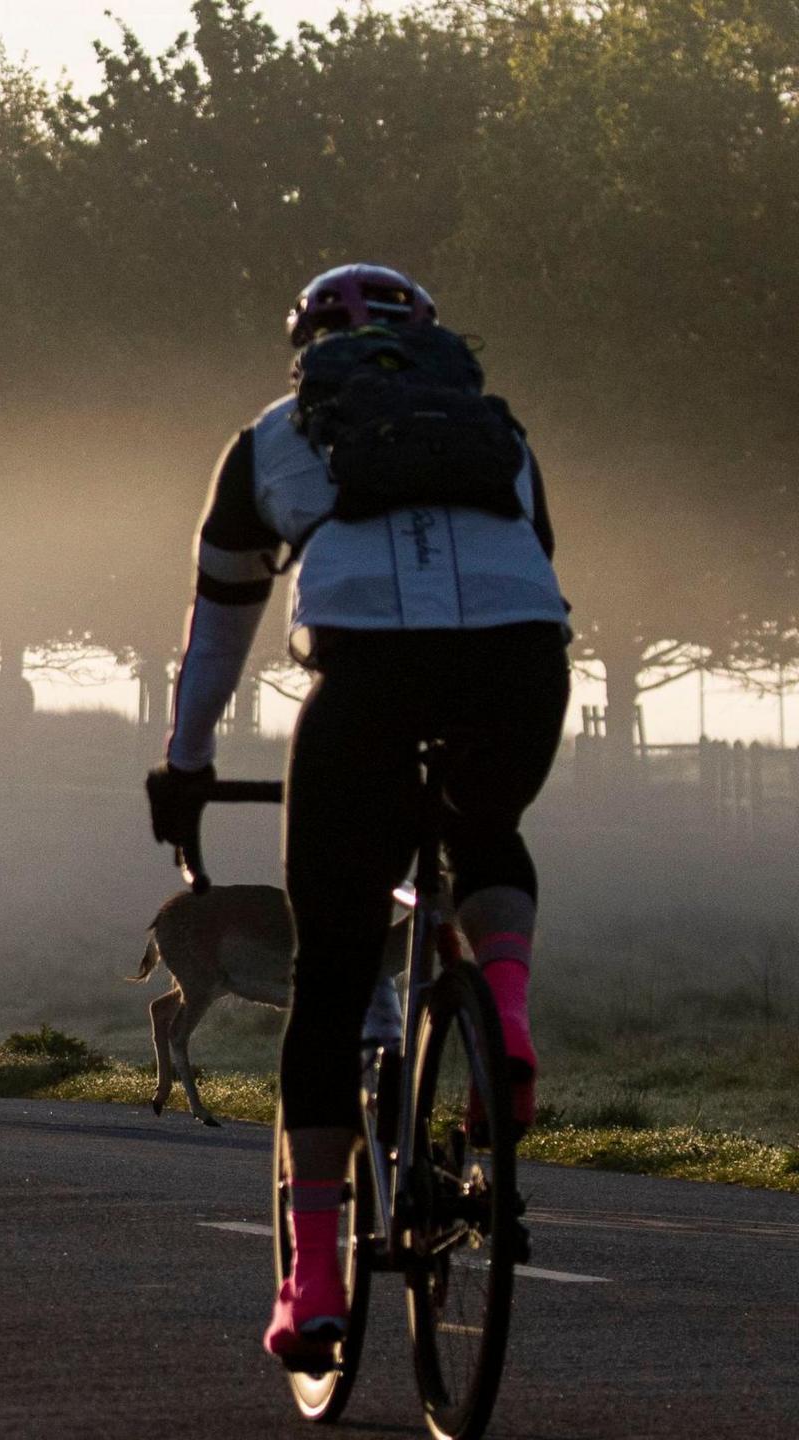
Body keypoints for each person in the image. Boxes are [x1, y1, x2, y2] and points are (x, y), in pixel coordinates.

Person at [146, 263, 569, 1369]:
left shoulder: (270, 441)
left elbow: (218, 633)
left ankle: (317, 1280)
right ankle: (506, 1020)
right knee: (482, 829)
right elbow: (531, 569)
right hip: (522, 669)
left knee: (332, 979)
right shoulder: (497, 431)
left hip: (365, 681)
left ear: (306, 350)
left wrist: (184, 768)